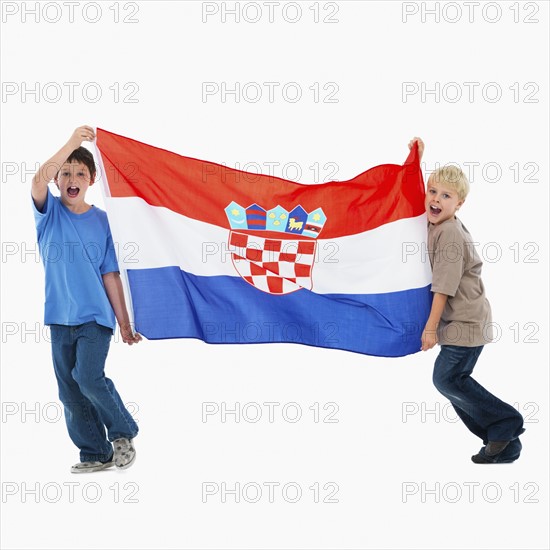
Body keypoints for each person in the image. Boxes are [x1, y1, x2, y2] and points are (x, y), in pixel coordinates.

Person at [31, 125, 142, 473]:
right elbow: (37, 180)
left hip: (95, 317)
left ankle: (123, 434)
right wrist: (71, 144)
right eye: (65, 173)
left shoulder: (103, 222)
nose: (72, 177)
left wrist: (124, 322)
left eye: (80, 172)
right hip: (59, 317)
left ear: (92, 179)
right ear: (57, 180)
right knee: (69, 391)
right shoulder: (48, 214)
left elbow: (110, 274)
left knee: (89, 377)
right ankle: (96, 451)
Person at [408, 137, 524, 463]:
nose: (436, 199)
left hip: (466, 321)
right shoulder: (434, 221)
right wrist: (417, 160)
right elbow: (407, 196)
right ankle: (502, 443)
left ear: (459, 205)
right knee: (452, 380)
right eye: (432, 192)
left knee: (446, 378)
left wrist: (430, 329)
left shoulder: (449, 234)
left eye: (446, 196)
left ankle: (505, 423)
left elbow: (443, 287)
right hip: (459, 322)